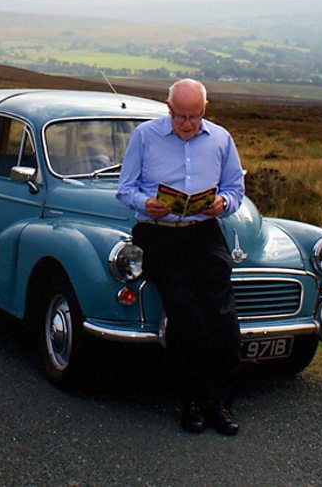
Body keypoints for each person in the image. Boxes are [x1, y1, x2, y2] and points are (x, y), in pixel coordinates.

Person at [116, 78, 246, 435]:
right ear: (168, 108)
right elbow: (124, 189)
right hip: (159, 234)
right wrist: (147, 205)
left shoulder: (220, 138)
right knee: (186, 313)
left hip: (204, 233)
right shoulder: (145, 136)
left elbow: (235, 189)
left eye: (194, 116)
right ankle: (191, 401)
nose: (187, 124)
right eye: (180, 116)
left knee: (222, 314)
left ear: (205, 110)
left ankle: (220, 402)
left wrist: (223, 204)